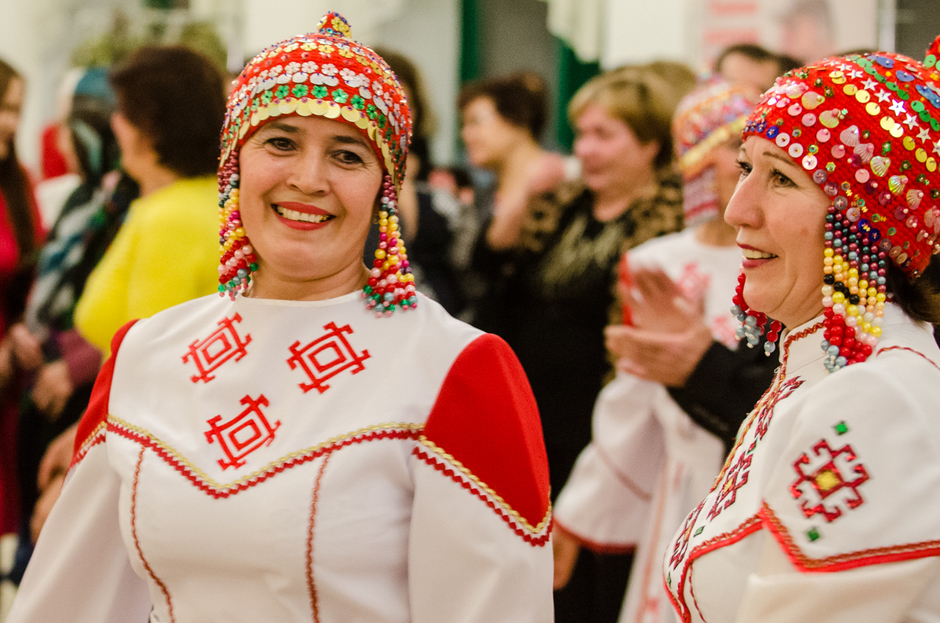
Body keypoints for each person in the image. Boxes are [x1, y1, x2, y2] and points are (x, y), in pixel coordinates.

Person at [8, 13, 553, 622]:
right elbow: (70, 600)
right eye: (281, 142)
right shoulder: (144, 354)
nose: (307, 179)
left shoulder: (456, 373)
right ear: (234, 162)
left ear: (385, 189)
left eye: (347, 155)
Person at [664, 38, 940, 622]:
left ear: (867, 221)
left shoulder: (876, 397)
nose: (738, 208)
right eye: (745, 168)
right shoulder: (826, 372)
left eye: (782, 179)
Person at [551, 80, 771, 623]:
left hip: (763, 479)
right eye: (729, 150)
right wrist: (579, 511)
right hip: (685, 486)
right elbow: (632, 401)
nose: (738, 167)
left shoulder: (781, 263)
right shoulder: (658, 263)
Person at [473, 65, 687, 622]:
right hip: (529, 414)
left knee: (578, 585)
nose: (586, 150)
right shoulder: (562, 203)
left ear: (650, 144)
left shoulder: (669, 222)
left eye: (604, 135)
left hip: (597, 427)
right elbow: (495, 282)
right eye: (582, 135)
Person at [5, 68, 136, 581]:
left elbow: (126, 310)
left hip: (77, 378)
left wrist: (71, 360)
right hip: (38, 366)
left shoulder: (122, 202)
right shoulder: (82, 197)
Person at [72, 45, 225, 357]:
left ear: (153, 125)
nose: (115, 124)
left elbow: (146, 362)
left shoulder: (171, 219)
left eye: (125, 113)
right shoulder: (208, 199)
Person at [456, 71, 566, 319]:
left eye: (476, 121)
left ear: (518, 117)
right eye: (464, 125)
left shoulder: (563, 187)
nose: (466, 134)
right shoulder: (483, 194)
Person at [0, 58, 45, 538]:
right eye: (0, 107)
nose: (8, 122)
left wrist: (18, 328)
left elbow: (31, 274)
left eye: (14, 109)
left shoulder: (19, 183)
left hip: (7, 377)